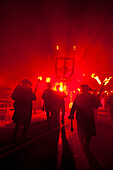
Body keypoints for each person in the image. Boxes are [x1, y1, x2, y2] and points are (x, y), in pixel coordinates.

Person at [68, 84, 99, 148]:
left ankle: (85, 143)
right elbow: (74, 105)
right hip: (82, 116)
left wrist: (96, 100)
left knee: (87, 131)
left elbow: (96, 106)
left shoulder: (90, 97)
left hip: (86, 116)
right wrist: (71, 114)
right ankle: (83, 142)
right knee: (82, 130)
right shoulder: (80, 96)